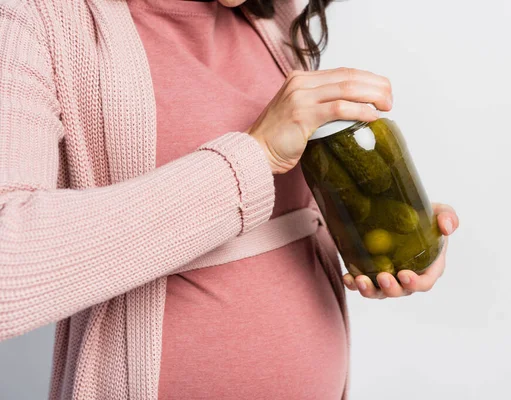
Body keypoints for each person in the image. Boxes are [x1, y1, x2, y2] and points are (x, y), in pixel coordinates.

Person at [0, 0, 459, 398]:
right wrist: (252, 159)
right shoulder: (33, 18)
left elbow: (289, 212)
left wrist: (387, 228)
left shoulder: (273, 15)